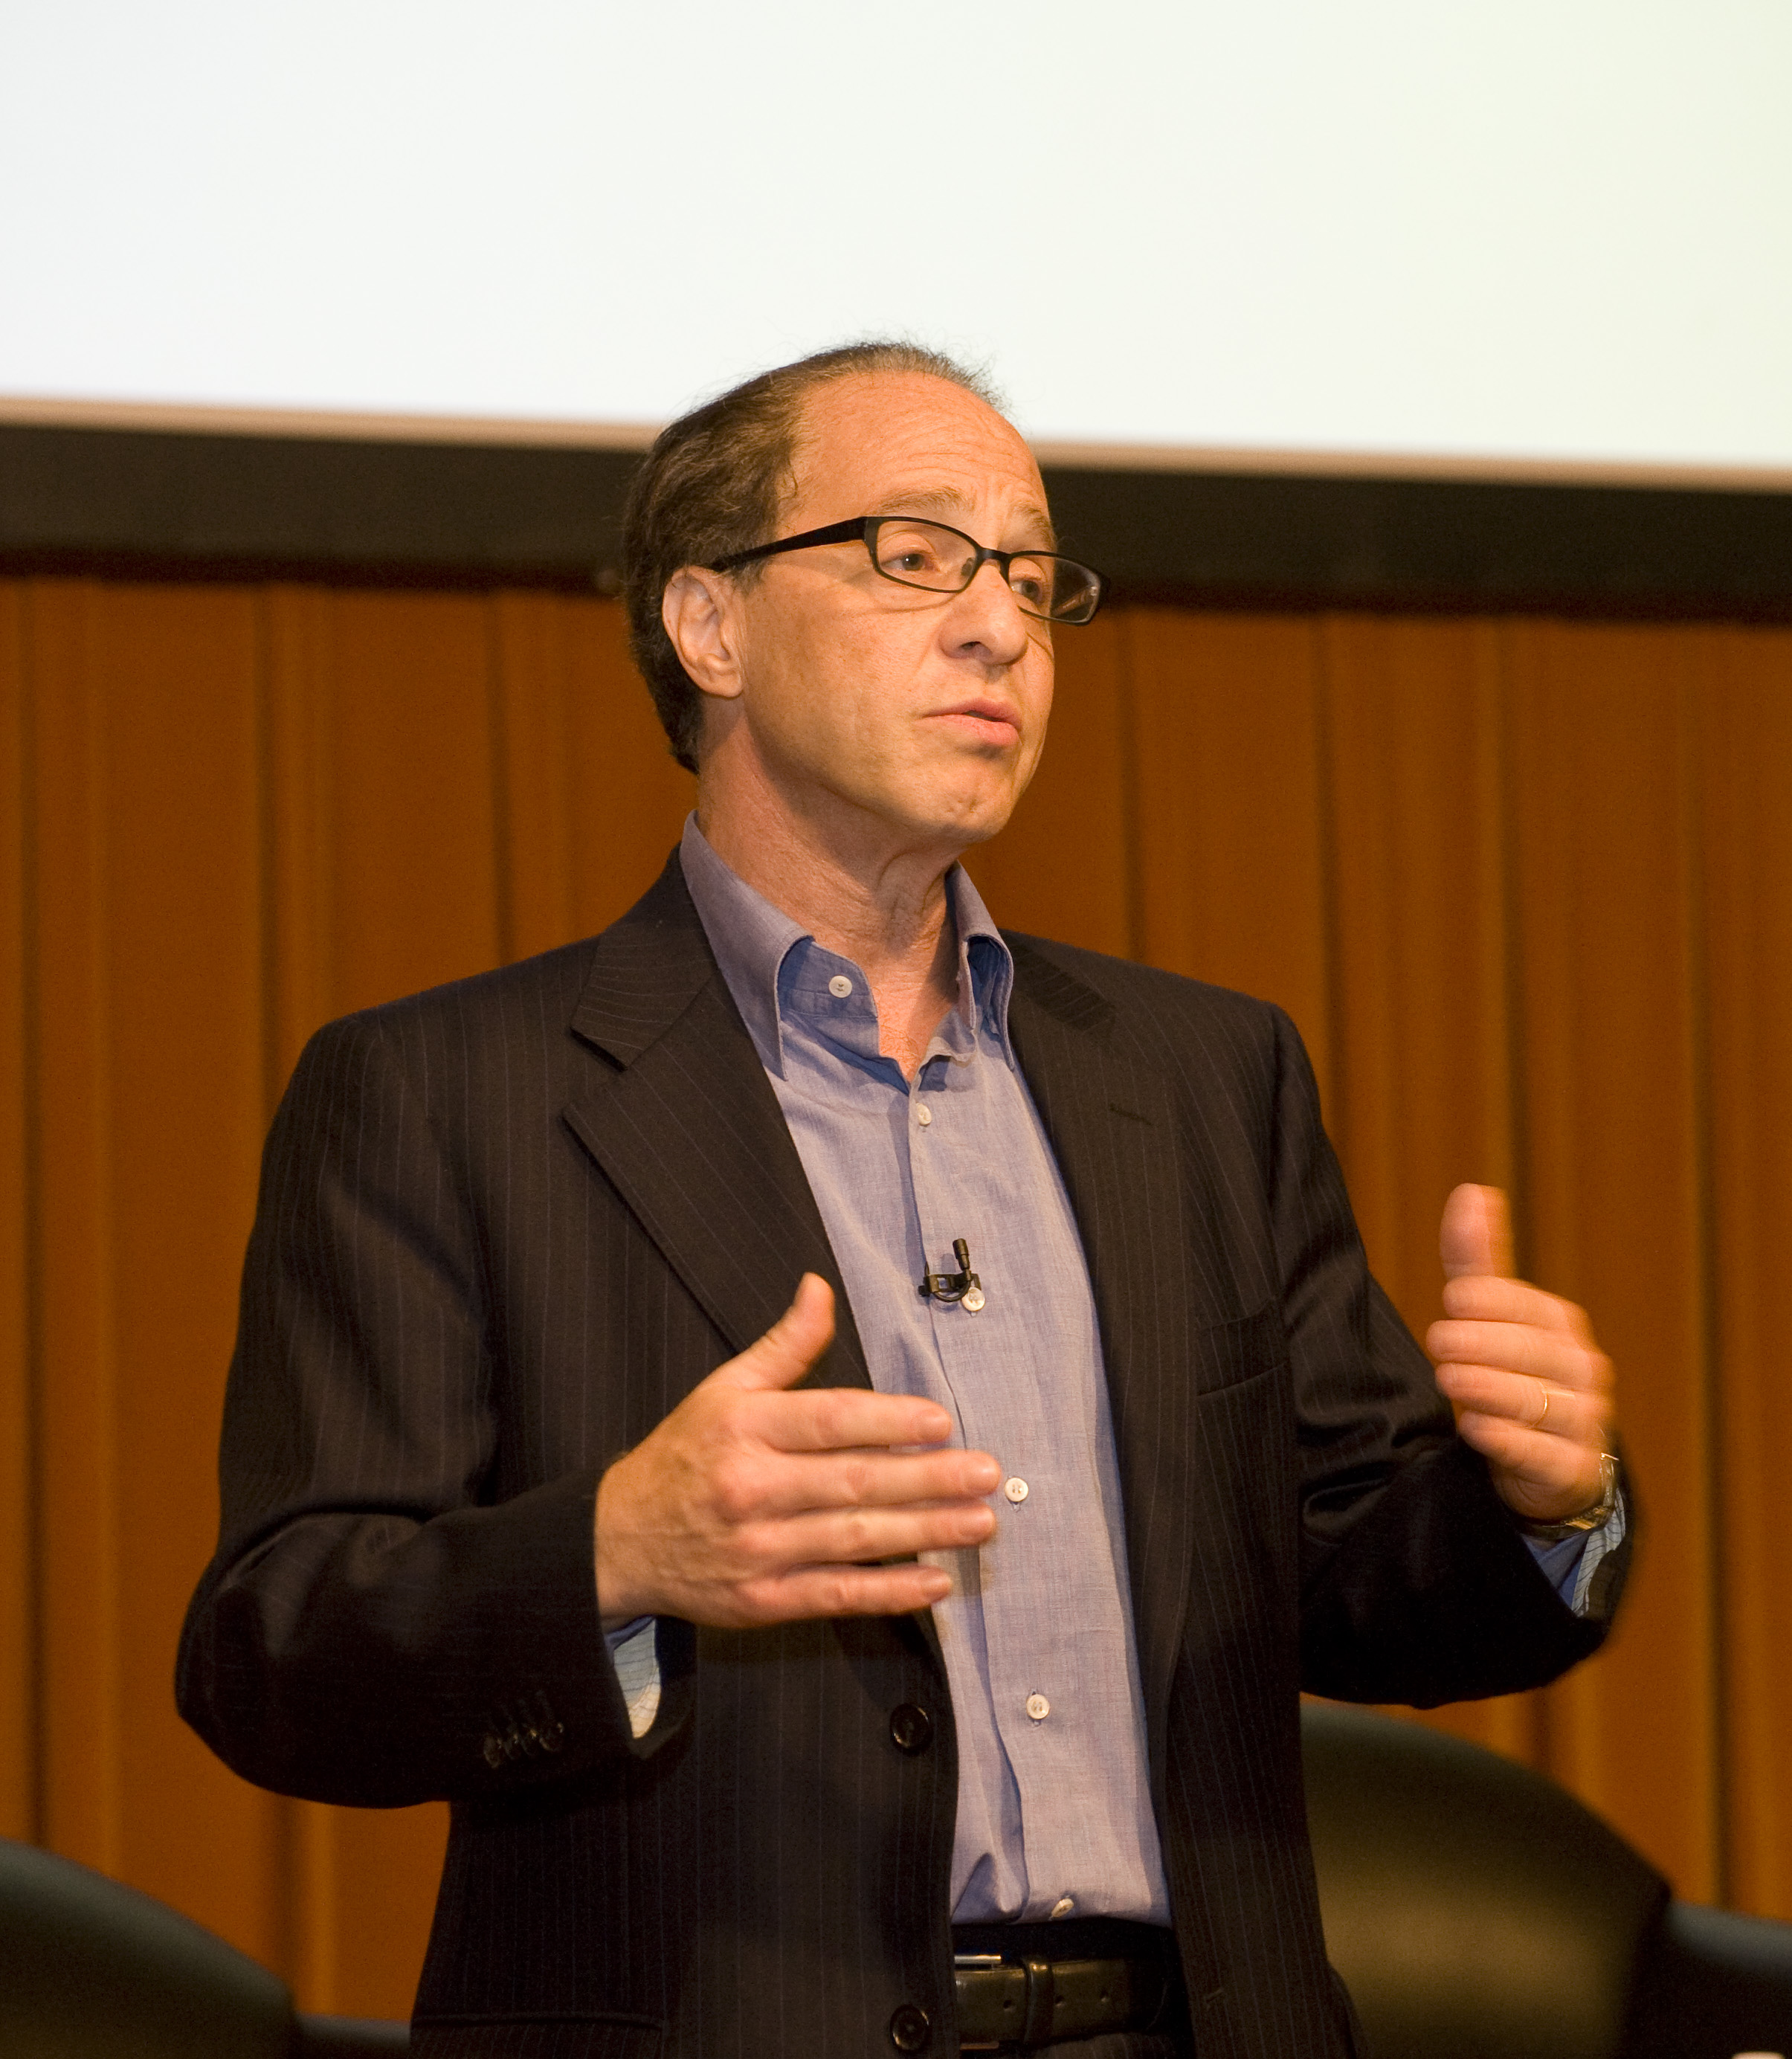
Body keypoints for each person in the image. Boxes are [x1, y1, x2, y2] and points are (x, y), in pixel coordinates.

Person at [178, 342, 1626, 2059]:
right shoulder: (444, 1092)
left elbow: (1351, 1573)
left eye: (1030, 574)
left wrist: (1537, 1499)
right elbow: (279, 1649)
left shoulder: (1196, 1075)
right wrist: (616, 1549)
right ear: (708, 624)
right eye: (917, 554)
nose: (1000, 625)